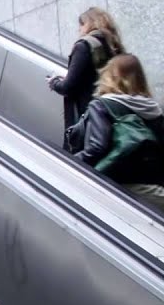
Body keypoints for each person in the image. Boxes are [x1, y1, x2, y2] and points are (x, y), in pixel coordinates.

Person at [66, 54, 164, 212]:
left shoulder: (102, 105)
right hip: (153, 189)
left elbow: (97, 146)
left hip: (117, 187)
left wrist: (69, 163)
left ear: (110, 77)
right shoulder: (153, 109)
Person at [48, 7, 126, 136]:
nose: (79, 30)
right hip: (111, 111)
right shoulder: (114, 45)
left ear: (89, 23)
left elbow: (67, 87)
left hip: (89, 116)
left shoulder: (84, 46)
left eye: (81, 25)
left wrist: (54, 82)